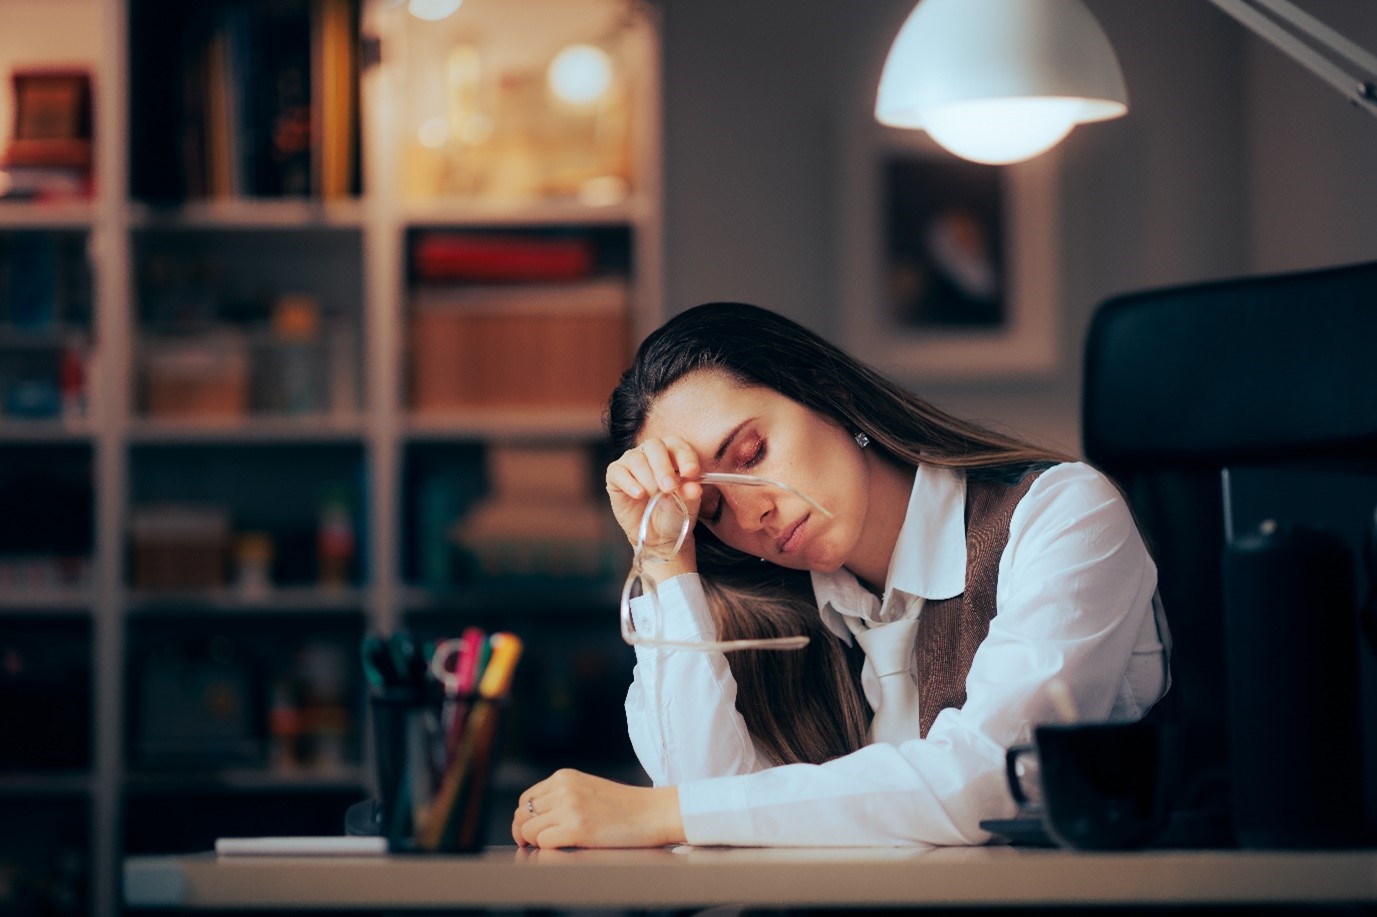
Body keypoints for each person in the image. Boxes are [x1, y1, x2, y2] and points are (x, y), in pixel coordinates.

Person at [512, 301, 1170, 849]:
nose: (751, 511)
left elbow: (992, 776)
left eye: (752, 453)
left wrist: (658, 814)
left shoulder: (1057, 513)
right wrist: (664, 557)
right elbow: (711, 824)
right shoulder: (784, 610)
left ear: (827, 393)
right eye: (710, 509)